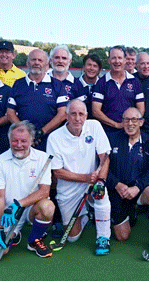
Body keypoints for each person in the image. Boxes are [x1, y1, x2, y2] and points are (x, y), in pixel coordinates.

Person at [45, 100, 112, 255]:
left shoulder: (94, 126)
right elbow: (58, 172)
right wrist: (86, 178)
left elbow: (104, 157)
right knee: (72, 237)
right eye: (73, 114)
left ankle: (103, 238)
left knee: (101, 194)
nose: (77, 118)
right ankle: (86, 216)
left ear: (86, 116)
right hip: (69, 189)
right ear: (66, 116)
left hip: (93, 181)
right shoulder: (55, 138)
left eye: (81, 114)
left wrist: (100, 181)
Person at [0, 121, 54, 266]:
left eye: (23, 141)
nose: (19, 144)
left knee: (48, 207)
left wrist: (19, 204)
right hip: (8, 215)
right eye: (14, 140)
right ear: (9, 140)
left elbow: (44, 191)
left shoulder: (43, 158)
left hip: (31, 209)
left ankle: (34, 240)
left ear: (31, 140)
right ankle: (14, 234)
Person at [105, 107, 149, 247]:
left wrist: (138, 187)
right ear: (122, 121)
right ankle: (130, 213)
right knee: (122, 236)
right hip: (117, 190)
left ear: (141, 122)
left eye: (134, 120)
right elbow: (102, 168)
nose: (130, 123)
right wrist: (116, 184)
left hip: (139, 190)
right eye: (126, 120)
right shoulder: (111, 139)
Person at [6, 48, 69, 150]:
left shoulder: (57, 85)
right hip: (23, 142)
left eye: (40, 60)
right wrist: (26, 134)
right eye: (33, 60)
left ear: (47, 65)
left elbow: (62, 114)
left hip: (50, 140)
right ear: (27, 63)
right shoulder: (18, 84)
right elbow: (10, 113)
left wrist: (41, 132)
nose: (36, 63)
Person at [92, 46, 145, 133]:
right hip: (108, 132)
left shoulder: (135, 82)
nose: (117, 61)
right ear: (108, 60)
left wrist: (131, 124)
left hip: (130, 132)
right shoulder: (101, 83)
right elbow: (95, 111)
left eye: (120, 58)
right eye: (113, 58)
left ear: (125, 60)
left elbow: (141, 109)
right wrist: (116, 125)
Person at [73, 53, 103, 118]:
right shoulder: (73, 84)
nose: (91, 68)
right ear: (83, 67)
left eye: (95, 66)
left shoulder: (104, 85)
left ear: (99, 70)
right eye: (89, 65)